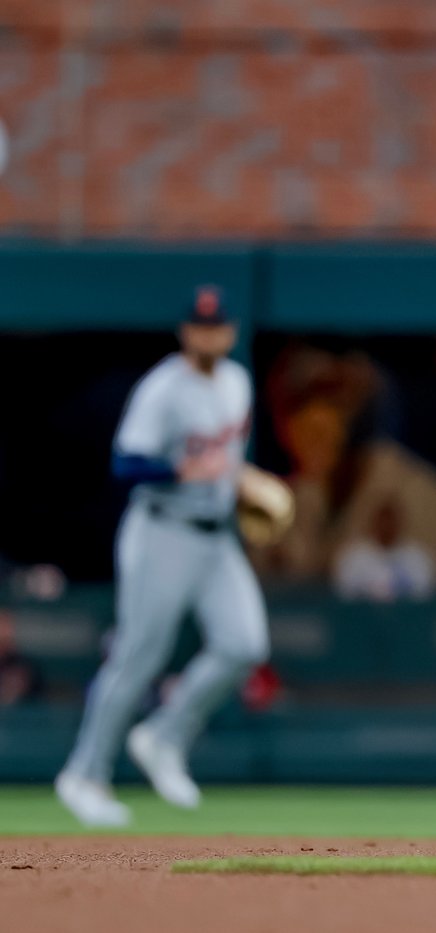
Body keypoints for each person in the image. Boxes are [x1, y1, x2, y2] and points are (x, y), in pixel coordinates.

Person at [56, 285, 271, 828]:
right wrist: (180, 470)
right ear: (185, 331)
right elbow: (125, 464)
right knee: (138, 656)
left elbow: (223, 459)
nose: (208, 334)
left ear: (231, 332)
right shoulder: (162, 389)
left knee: (245, 644)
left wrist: (240, 482)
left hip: (216, 535)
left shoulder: (237, 382)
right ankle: (84, 773)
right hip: (161, 531)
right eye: (199, 326)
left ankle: (164, 735)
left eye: (216, 326)